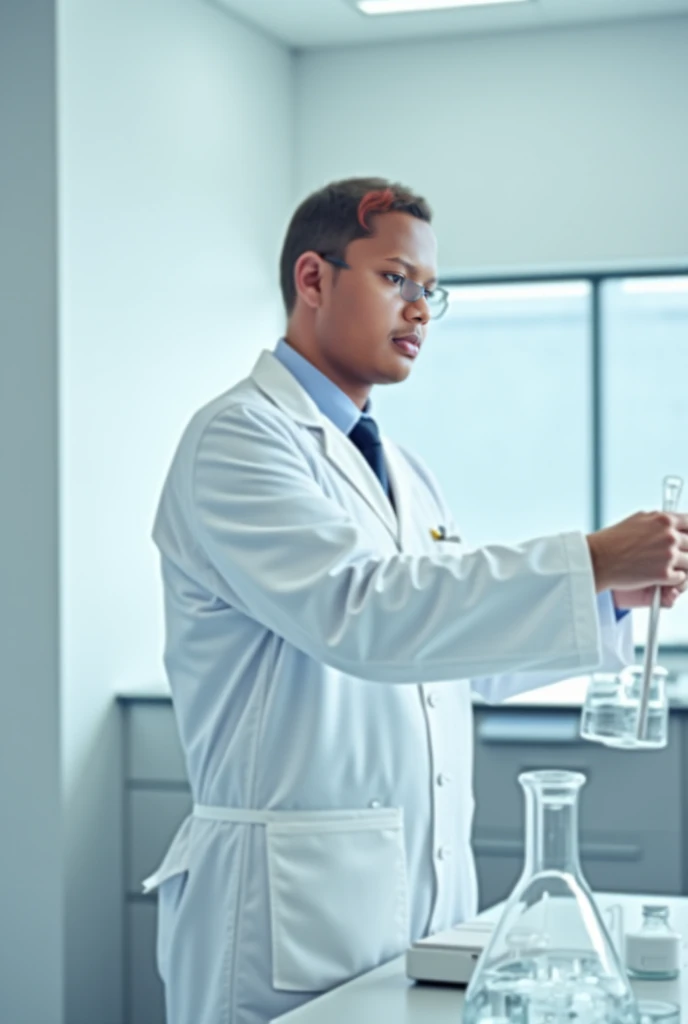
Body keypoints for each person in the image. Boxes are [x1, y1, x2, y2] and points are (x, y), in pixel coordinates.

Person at [144, 177, 688, 1024]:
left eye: (432, 290)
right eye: (397, 279)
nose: (421, 310)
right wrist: (588, 559)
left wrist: (610, 595)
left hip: (420, 912)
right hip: (280, 915)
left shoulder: (403, 470)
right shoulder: (238, 440)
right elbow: (365, 615)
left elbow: (450, 659)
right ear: (313, 280)